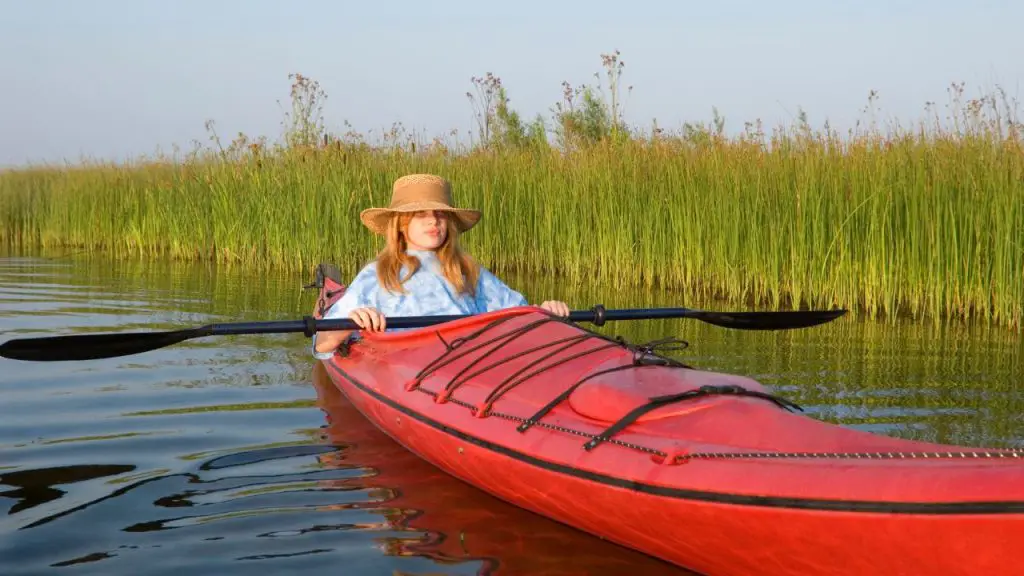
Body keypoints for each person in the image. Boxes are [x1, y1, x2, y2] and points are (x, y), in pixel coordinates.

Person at [312, 173, 570, 360]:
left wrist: (545, 312)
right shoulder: (378, 273)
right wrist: (352, 321)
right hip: (403, 364)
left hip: (467, 362)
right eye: (421, 214)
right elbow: (324, 344)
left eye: (440, 214)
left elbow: (519, 316)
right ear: (401, 223)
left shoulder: (468, 270)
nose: (433, 221)